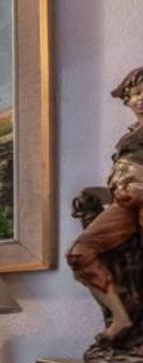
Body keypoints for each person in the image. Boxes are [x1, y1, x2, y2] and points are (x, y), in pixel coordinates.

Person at [67, 68, 143, 340]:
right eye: (134, 94)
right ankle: (120, 317)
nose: (139, 99)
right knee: (80, 253)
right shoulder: (131, 134)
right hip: (123, 202)